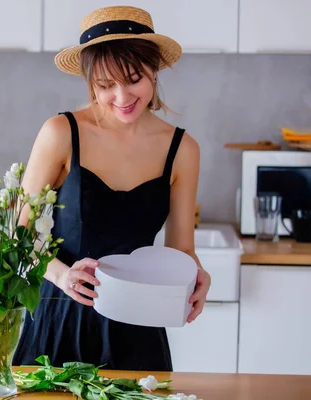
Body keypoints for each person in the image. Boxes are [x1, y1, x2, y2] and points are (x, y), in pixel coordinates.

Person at [12, 5, 211, 371]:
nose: (121, 96)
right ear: (90, 83)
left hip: (139, 325)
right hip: (60, 316)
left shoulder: (182, 149)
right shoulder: (60, 133)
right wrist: (61, 274)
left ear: (154, 71)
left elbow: (182, 250)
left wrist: (197, 276)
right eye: (105, 85)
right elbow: (19, 234)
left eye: (134, 78)